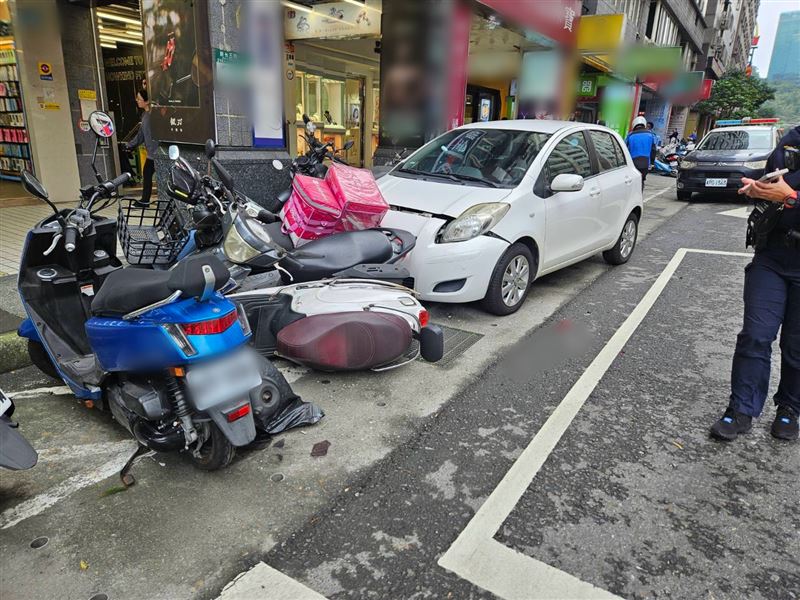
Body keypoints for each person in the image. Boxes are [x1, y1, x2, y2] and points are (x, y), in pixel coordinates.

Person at [710, 123, 800, 442]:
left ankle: (789, 408)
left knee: (796, 345)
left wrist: (790, 197)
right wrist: (758, 190)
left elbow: (787, 195)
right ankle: (742, 407)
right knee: (756, 335)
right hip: (773, 255)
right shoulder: (790, 143)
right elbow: (772, 186)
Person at [126, 89, 157, 208]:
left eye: (139, 99)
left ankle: (145, 200)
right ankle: (145, 201)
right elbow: (141, 135)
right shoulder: (144, 115)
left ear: (147, 101)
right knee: (147, 174)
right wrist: (130, 145)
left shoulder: (155, 115)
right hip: (151, 153)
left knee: (152, 175)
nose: (137, 101)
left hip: (159, 153)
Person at [626, 116, 656, 191]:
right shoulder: (651, 135)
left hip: (632, 162)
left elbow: (625, 148)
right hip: (646, 163)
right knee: (641, 180)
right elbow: (653, 150)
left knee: (630, 181)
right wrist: (652, 163)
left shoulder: (630, 135)